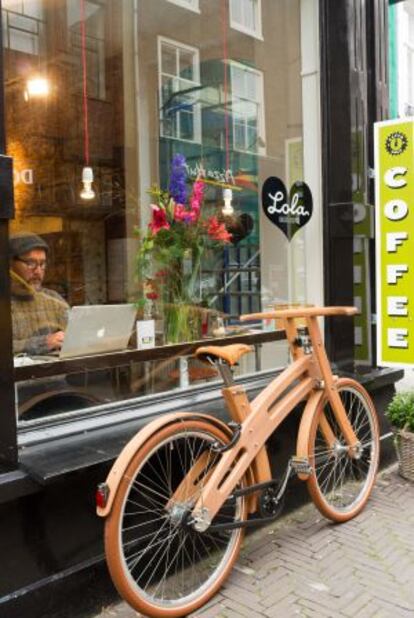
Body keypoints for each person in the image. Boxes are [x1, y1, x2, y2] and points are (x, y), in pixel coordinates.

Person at [9, 232, 69, 355]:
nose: (38, 271)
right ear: (10, 265)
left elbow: (77, 335)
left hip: (55, 371)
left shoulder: (53, 299)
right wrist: (43, 343)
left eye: (42, 264)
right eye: (31, 263)